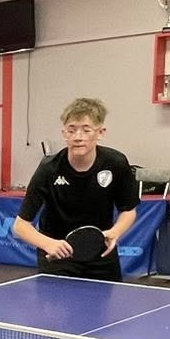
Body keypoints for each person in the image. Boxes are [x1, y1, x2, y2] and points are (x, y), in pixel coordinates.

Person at [12, 98, 140, 281]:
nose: (78, 137)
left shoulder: (116, 163)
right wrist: (49, 244)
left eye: (86, 130)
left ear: (100, 132)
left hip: (101, 256)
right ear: (64, 133)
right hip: (58, 258)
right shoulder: (49, 168)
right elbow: (21, 225)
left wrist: (115, 232)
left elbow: (128, 210)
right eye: (72, 130)